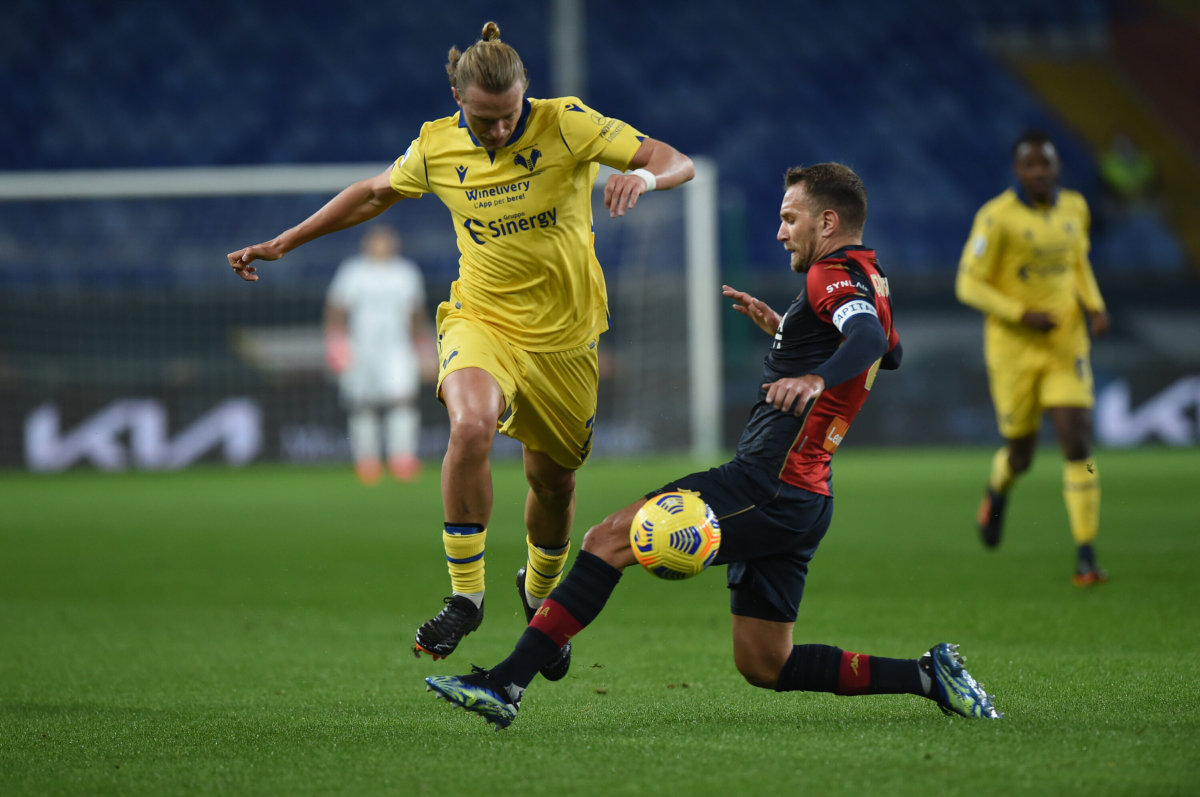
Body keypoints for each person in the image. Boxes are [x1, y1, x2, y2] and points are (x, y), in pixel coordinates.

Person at [424, 163, 1001, 729]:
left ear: (827, 222)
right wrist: (788, 330)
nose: (780, 232)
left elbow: (870, 340)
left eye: (789, 218)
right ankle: (930, 676)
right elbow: (888, 349)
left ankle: (505, 683)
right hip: (805, 496)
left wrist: (816, 377)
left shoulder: (829, 275)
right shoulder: (870, 275)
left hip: (766, 481)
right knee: (765, 662)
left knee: (605, 540)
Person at [226, 21, 695, 678]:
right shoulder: (436, 145)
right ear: (456, 95)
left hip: (565, 337)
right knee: (470, 424)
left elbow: (676, 160)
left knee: (553, 482)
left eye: (506, 118)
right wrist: (285, 241)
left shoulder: (568, 124)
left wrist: (644, 181)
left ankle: (538, 594)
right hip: (483, 320)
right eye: (482, 119)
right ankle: (466, 595)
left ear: (524, 94)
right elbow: (373, 193)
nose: (497, 132)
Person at [956, 130, 1110, 587]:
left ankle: (1086, 552)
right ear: (1018, 170)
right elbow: (969, 284)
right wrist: (1021, 313)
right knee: (1020, 453)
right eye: (1031, 165)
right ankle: (997, 490)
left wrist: (1094, 304)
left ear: (1057, 167)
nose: (1040, 172)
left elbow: (1077, 260)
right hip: (1014, 353)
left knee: (1076, 442)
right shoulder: (996, 218)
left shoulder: (1075, 208)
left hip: (1066, 347)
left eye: (1047, 164)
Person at [323, 224, 434, 485]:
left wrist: (424, 348)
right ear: (367, 244)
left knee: (403, 400)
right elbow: (336, 309)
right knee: (363, 404)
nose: (382, 246)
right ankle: (367, 461)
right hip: (360, 347)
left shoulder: (405, 272)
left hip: (397, 347)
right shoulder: (353, 272)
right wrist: (335, 342)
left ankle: (402, 458)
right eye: (377, 241)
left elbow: (416, 314)